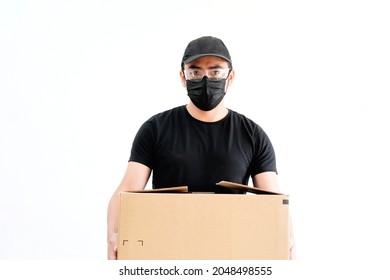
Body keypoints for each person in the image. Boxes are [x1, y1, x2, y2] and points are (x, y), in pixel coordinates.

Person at [107, 36, 295, 259]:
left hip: (231, 254)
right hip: (168, 252)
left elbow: (273, 202)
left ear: (230, 77)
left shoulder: (252, 135)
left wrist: (286, 241)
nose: (206, 79)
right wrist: (115, 235)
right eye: (195, 72)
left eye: (216, 72)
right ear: (182, 77)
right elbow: (126, 190)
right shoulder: (156, 128)